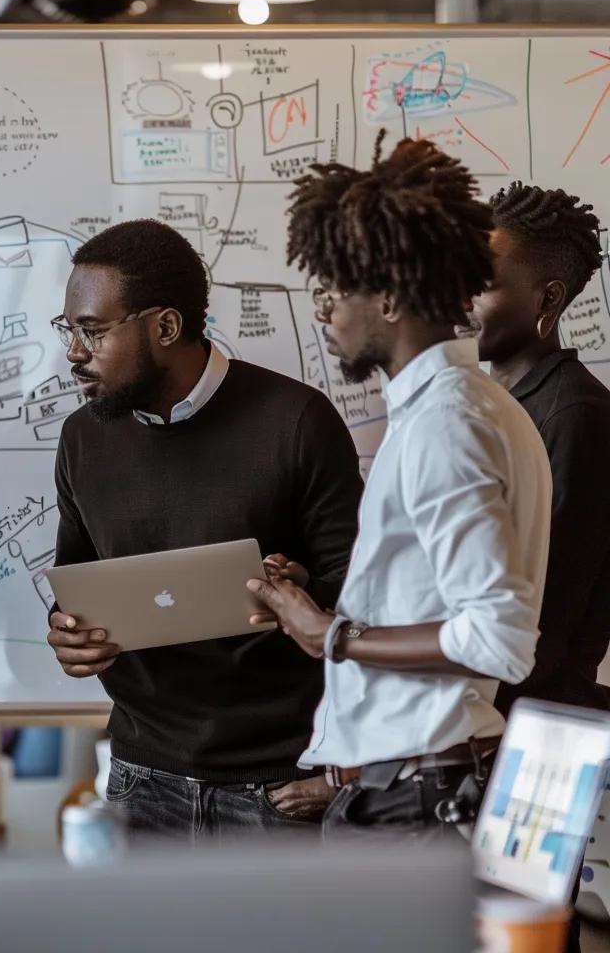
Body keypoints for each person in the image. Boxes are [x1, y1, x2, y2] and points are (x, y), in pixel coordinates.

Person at [247, 137, 552, 840]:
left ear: (387, 298)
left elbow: (498, 639)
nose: (324, 313)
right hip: (413, 790)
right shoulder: (458, 406)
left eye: (333, 292)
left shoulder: (448, 421)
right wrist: (322, 612)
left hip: (419, 801)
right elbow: (438, 599)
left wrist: (334, 635)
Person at [46, 218, 364, 839]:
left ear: (164, 327)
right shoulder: (83, 438)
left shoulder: (297, 421)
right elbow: (75, 587)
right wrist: (69, 637)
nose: (74, 353)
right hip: (140, 776)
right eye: (69, 330)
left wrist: (303, 589)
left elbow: (364, 594)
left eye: (92, 331)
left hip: (280, 782)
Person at [467, 182, 610, 714]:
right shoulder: (483, 403)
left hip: (528, 726)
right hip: (475, 712)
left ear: (548, 298)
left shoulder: (575, 416)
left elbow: (541, 623)